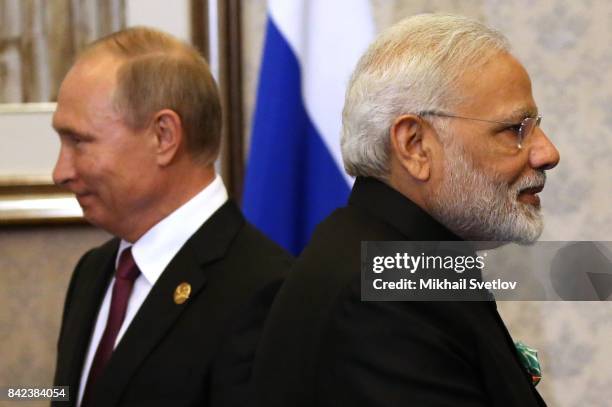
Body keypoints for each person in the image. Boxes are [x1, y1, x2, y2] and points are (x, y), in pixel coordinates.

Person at [253, 14, 559, 406]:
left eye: (536, 126)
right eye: (515, 129)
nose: (547, 152)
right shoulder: (380, 301)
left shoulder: (397, 262)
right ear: (414, 146)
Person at [51, 27, 292, 407]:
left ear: (164, 136)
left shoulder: (266, 291)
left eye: (79, 142)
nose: (60, 171)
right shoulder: (94, 271)